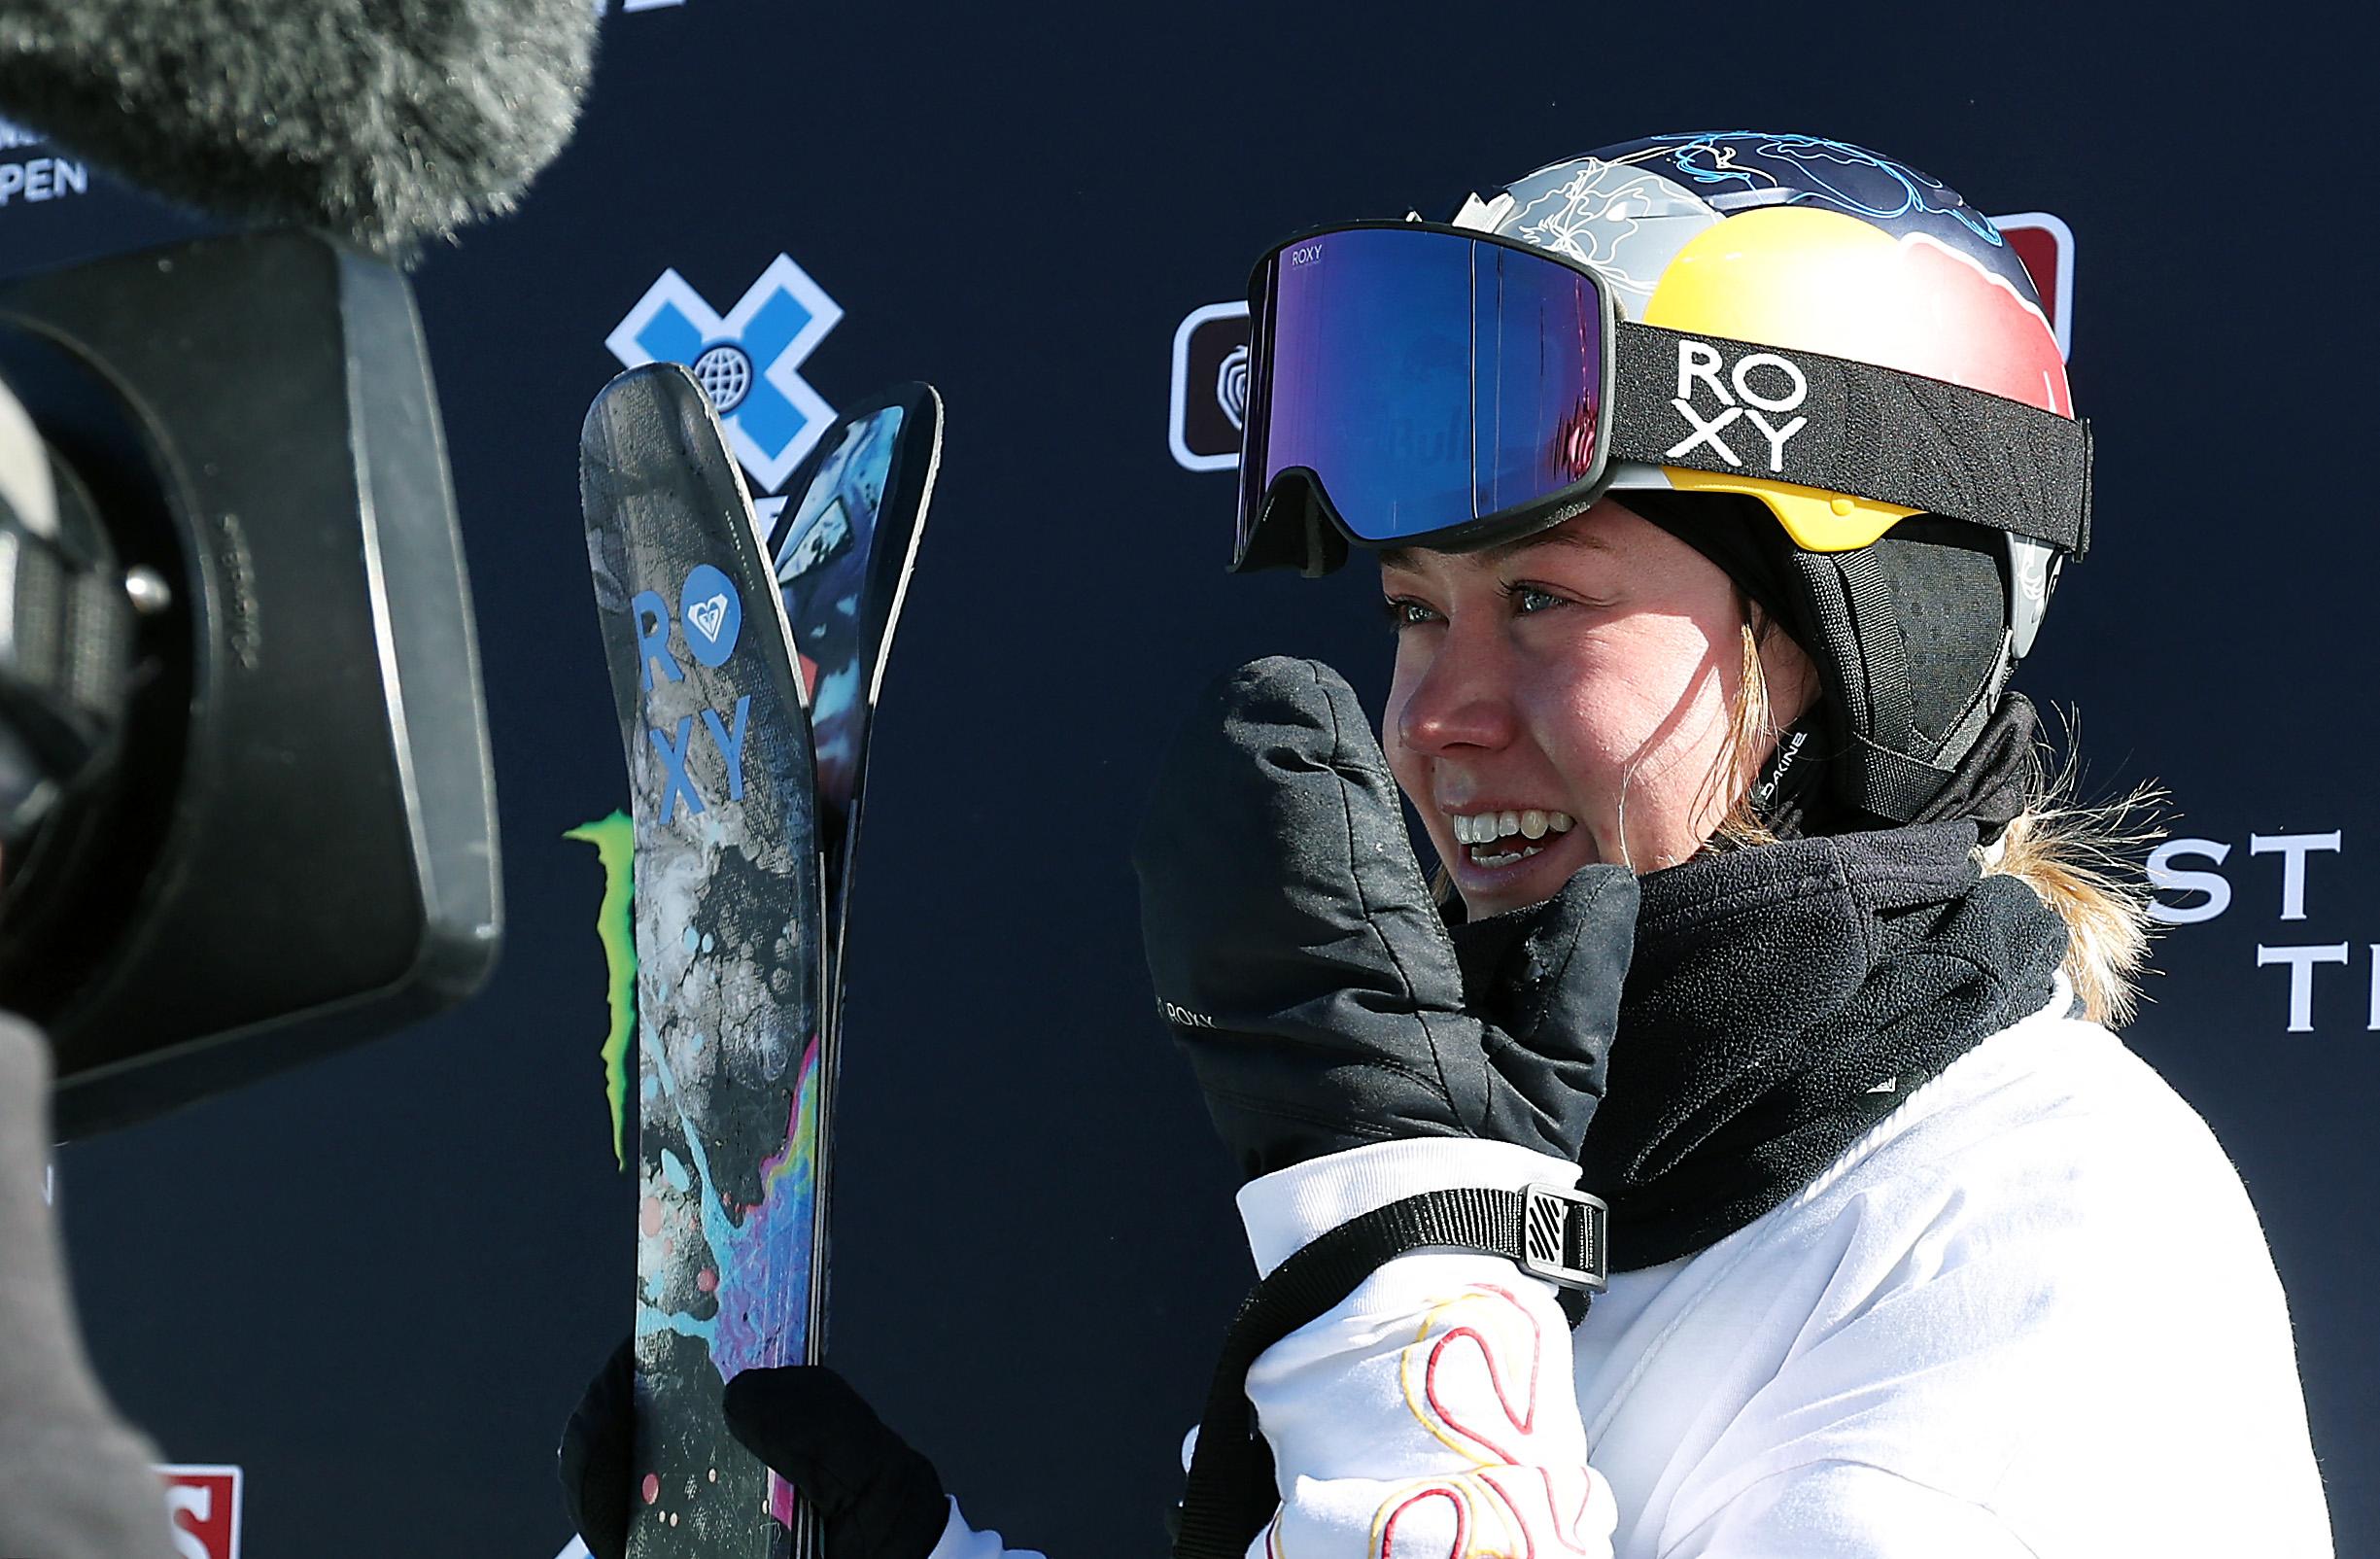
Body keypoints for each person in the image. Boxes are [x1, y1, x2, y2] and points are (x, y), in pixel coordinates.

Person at [564, 131, 2334, 1558]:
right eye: (1414, 612)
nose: (1435, 715)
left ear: (1857, 650)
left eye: (1545, 597)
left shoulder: (2034, 1246)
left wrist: (1411, 1283)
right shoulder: (1578, 1169)